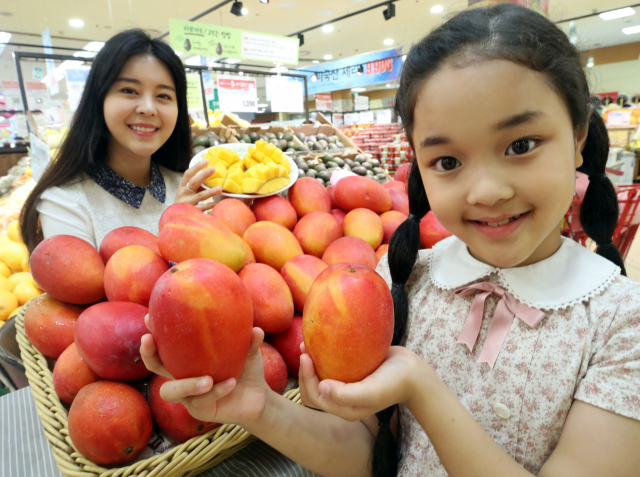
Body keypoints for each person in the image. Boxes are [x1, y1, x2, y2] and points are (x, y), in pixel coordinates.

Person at [141, 4, 640, 477]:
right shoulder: (403, 278)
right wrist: (260, 410)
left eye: (521, 145)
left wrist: (423, 390)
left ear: (578, 137)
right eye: (447, 162)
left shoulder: (621, 324)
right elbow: (366, 455)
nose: (487, 190)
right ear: (419, 166)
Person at [20, 29, 221, 252]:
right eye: (129, 90)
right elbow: (90, 286)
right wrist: (174, 224)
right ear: (99, 99)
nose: (148, 108)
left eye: (163, 95)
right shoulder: (65, 203)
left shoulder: (187, 186)